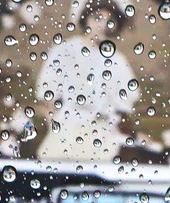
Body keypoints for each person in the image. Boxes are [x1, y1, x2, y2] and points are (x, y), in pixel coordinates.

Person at [33, 0, 141, 162]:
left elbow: (124, 108)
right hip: (68, 129)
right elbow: (46, 98)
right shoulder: (65, 51)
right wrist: (56, 127)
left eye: (109, 21)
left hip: (103, 134)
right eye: (97, 18)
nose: (102, 25)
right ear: (86, 19)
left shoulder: (117, 60)